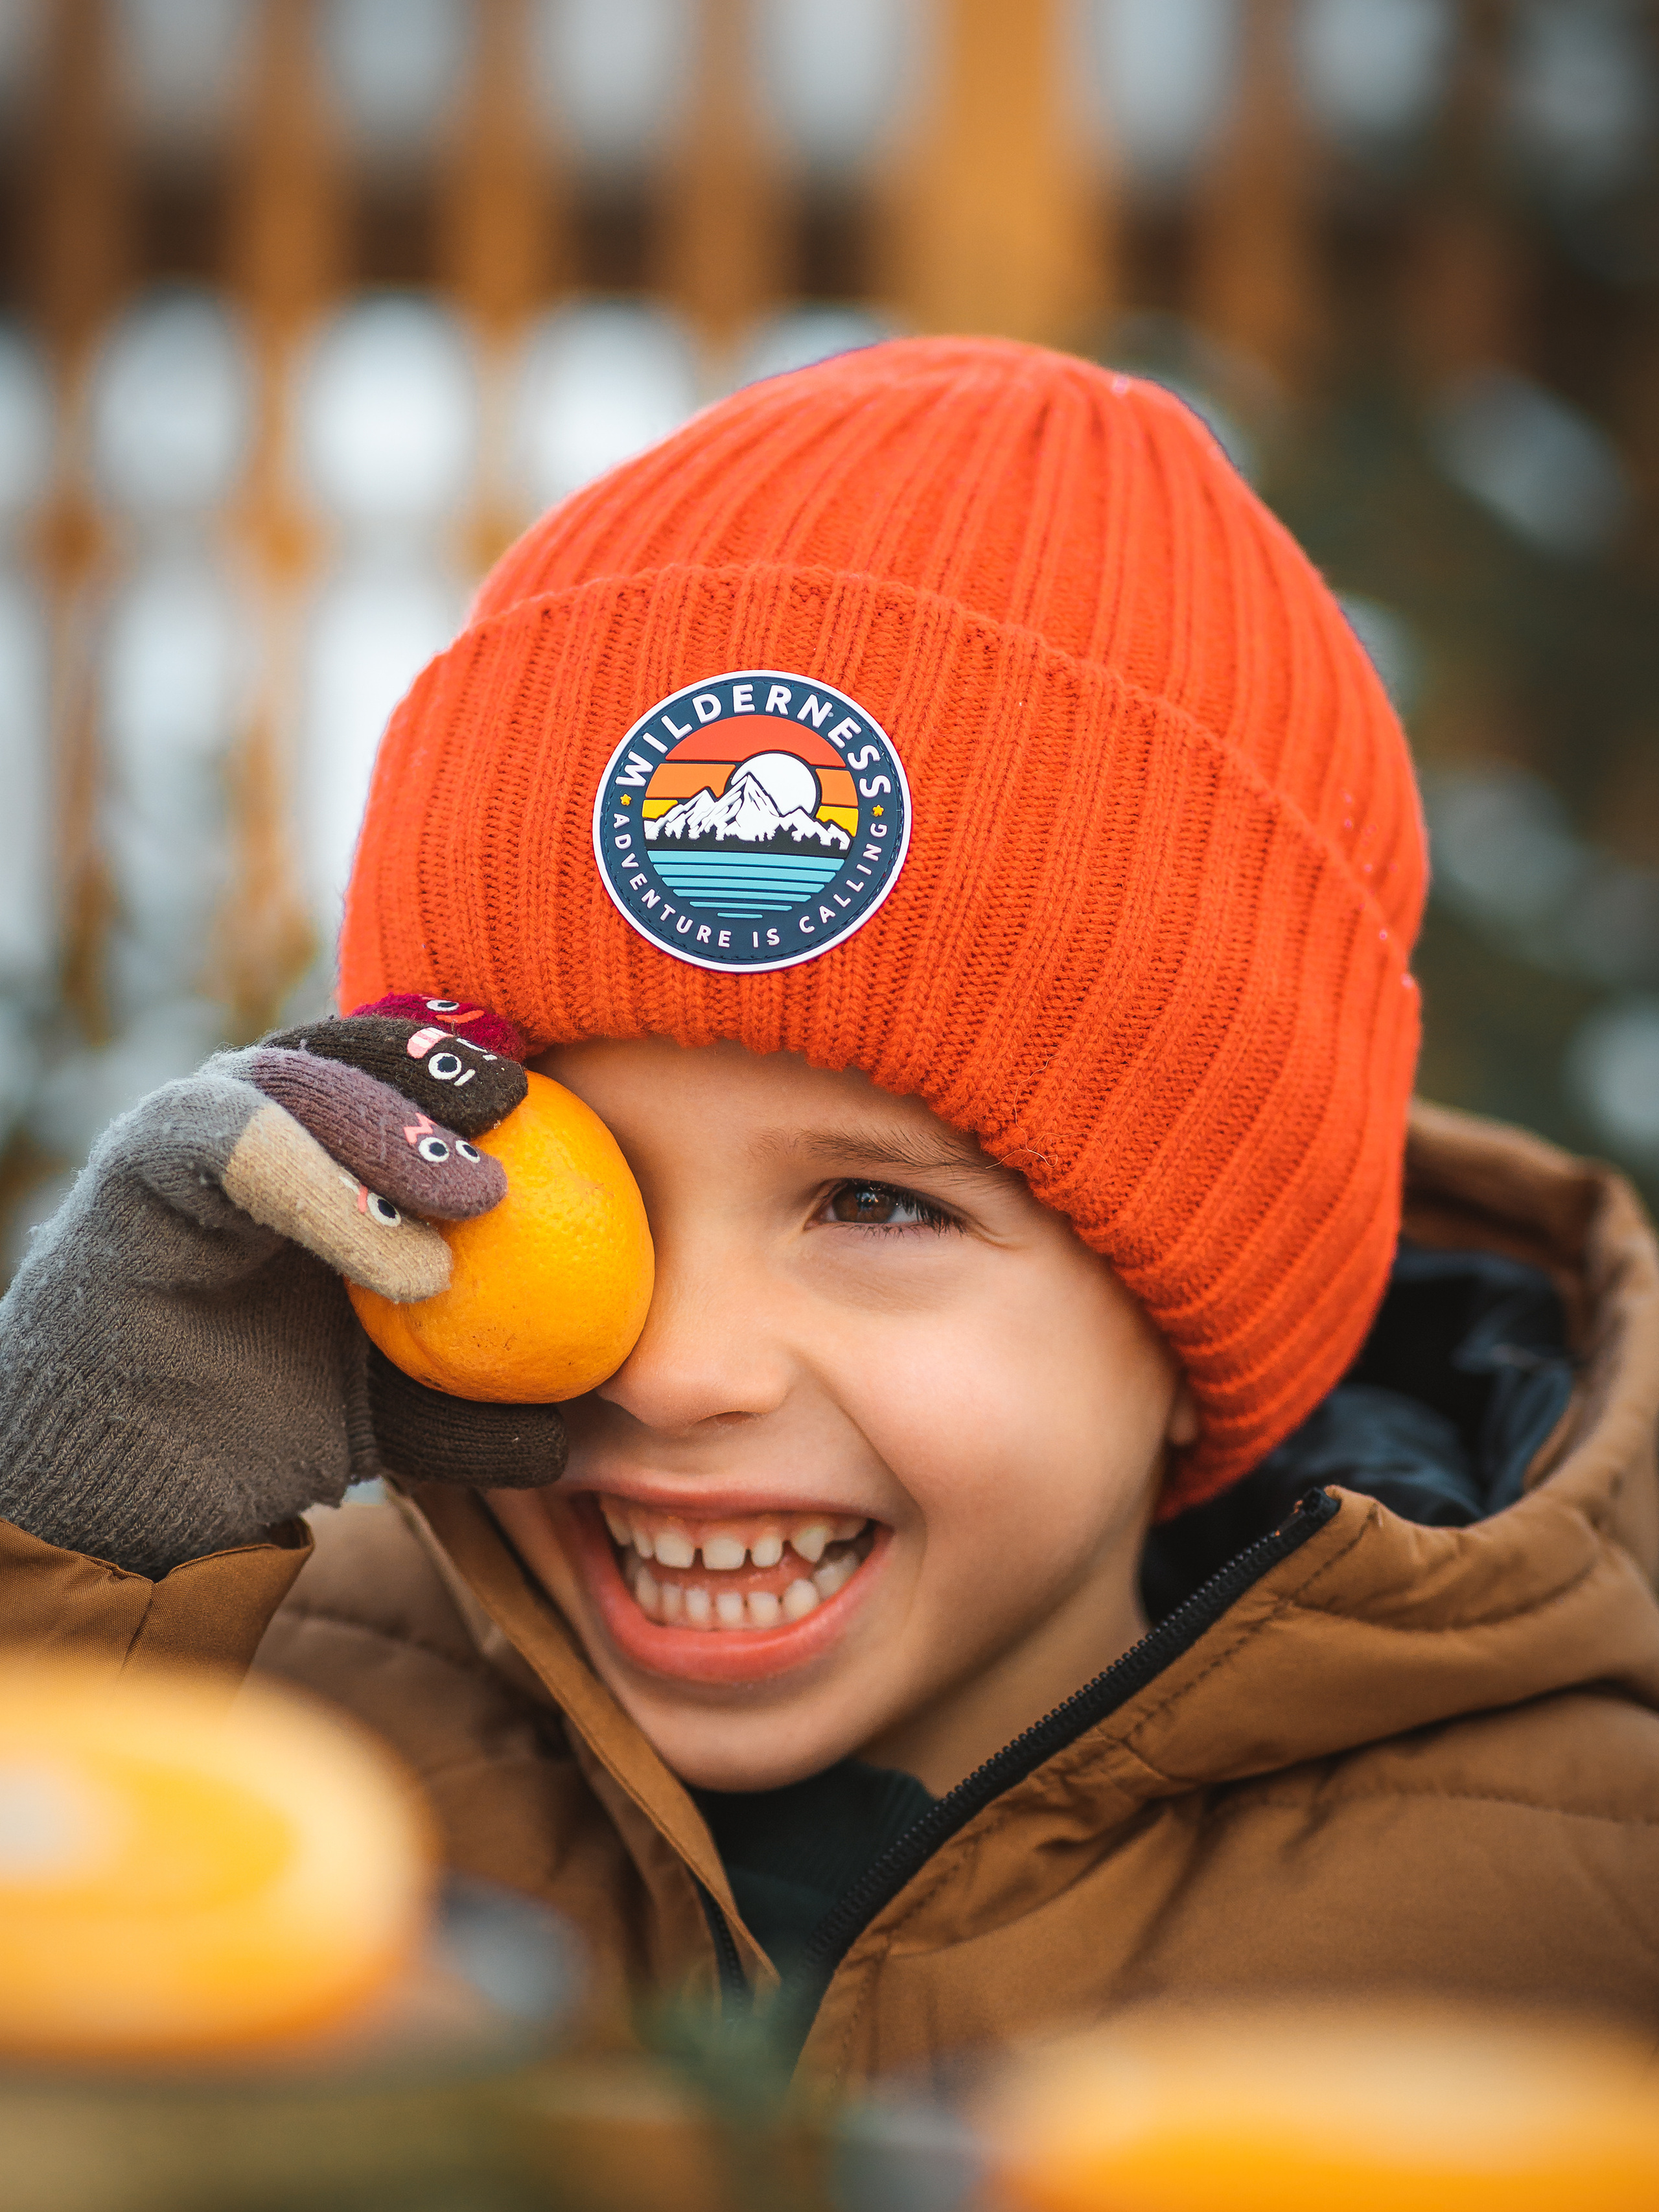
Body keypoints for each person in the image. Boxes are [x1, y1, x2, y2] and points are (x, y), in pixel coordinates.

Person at [5, 338, 1659, 2080]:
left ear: (1207, 1305)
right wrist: (70, 1569)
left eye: (875, 1203)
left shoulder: (1570, 1920)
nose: (676, 1372)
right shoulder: (240, 1740)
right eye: (587, 1186)